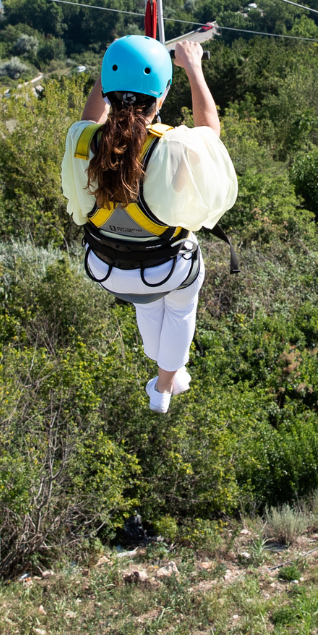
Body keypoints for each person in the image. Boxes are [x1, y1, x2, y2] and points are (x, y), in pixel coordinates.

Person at [61, 32, 238, 414]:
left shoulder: (82, 141)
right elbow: (210, 135)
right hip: (163, 269)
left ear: (107, 91)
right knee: (179, 308)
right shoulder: (173, 146)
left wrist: (112, 66)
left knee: (150, 304)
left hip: (108, 267)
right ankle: (164, 385)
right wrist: (193, 67)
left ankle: (169, 370)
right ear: (160, 97)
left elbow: (90, 119)